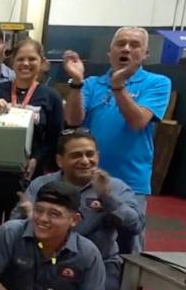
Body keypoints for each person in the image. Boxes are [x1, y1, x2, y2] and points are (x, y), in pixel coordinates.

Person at [16, 130, 144, 290]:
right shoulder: (41, 185)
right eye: (76, 155)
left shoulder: (114, 186)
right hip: (45, 257)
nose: (85, 161)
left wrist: (107, 198)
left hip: (97, 262)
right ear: (60, 160)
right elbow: (14, 224)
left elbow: (136, 225)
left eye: (90, 154)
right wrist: (28, 218)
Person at [63, 26, 172, 253]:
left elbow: (138, 121)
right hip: (88, 179)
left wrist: (118, 85)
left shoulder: (157, 83)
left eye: (134, 45)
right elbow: (74, 120)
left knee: (128, 246)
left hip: (131, 181)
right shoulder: (92, 84)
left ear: (145, 55)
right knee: (81, 242)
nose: (126, 49)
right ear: (110, 52)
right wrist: (76, 81)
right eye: (120, 44)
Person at [0, 39, 64, 257]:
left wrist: (36, 159)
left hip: (28, 179)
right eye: (20, 59)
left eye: (31, 59)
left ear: (42, 62)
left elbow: (54, 139)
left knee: (23, 230)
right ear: (12, 62)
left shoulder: (50, 96)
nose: (25, 63)